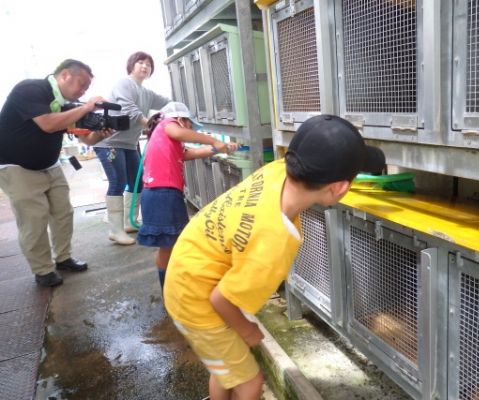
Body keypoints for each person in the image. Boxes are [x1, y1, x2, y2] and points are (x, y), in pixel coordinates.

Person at [163, 114, 386, 400]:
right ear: (339, 188)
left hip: (186, 269)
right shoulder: (273, 243)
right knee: (249, 382)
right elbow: (221, 300)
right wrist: (247, 330)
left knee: (226, 368)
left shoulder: (277, 171)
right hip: (196, 302)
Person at [0, 59, 113, 287]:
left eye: (86, 89)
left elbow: (86, 139)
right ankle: (43, 270)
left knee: (63, 213)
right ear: (64, 75)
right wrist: (87, 106)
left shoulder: (65, 105)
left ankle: (63, 258)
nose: (83, 91)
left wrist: (102, 133)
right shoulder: (30, 89)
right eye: (81, 84)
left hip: (50, 165)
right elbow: (48, 124)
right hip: (16, 166)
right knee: (34, 220)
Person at [137, 102, 238, 289]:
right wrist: (212, 140)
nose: (191, 128)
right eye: (190, 123)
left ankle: (171, 289)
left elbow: (189, 153)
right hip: (162, 194)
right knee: (171, 247)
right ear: (180, 120)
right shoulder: (167, 124)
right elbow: (177, 132)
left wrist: (219, 148)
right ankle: (171, 292)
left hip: (161, 194)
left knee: (171, 246)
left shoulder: (166, 140)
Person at [93, 51, 170, 246]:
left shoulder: (146, 92)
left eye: (148, 64)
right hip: (109, 142)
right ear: (132, 65)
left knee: (137, 182)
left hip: (128, 144)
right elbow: (128, 108)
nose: (145, 66)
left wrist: (178, 109)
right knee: (117, 182)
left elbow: (165, 102)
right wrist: (147, 123)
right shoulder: (124, 84)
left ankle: (128, 222)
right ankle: (115, 230)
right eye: (140, 63)